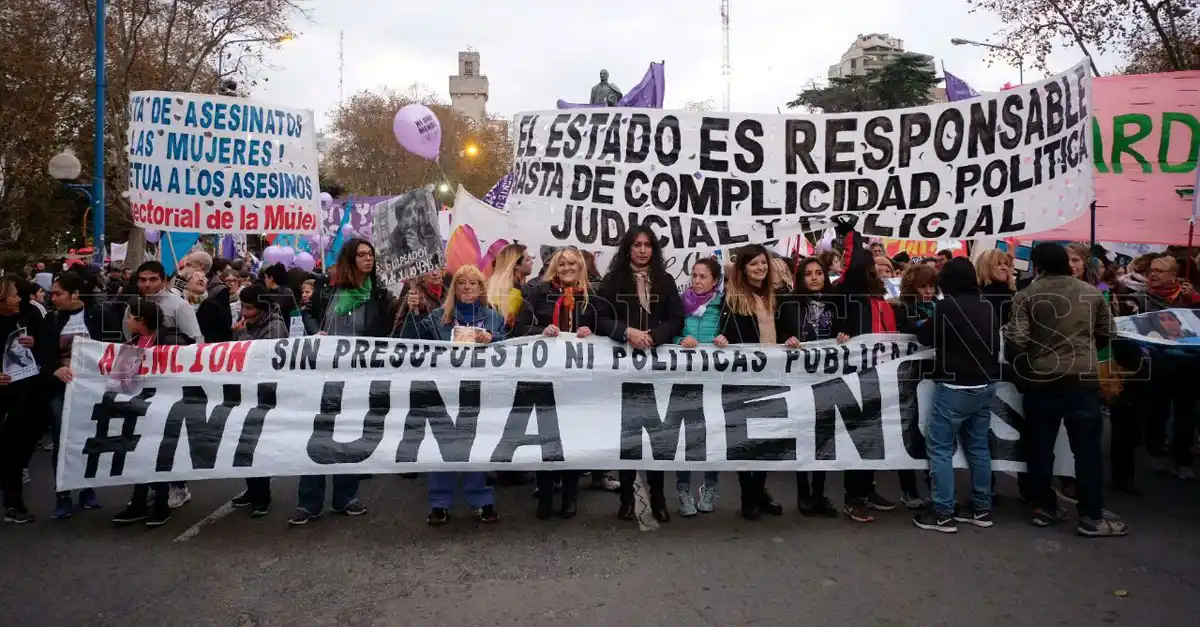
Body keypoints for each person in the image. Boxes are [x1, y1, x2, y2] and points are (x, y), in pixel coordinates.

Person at [1006, 243, 1127, 537]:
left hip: (1041, 382)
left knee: (1039, 448)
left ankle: (1044, 508)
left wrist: (1028, 364)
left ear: (1037, 266)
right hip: (1081, 381)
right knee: (1086, 452)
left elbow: (1017, 340)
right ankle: (1092, 516)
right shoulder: (1092, 293)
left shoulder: (1026, 295)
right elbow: (1107, 333)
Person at [290, 238, 390, 526]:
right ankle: (309, 502)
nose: (368, 259)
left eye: (370, 255)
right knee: (318, 433)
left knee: (348, 432)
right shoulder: (328, 288)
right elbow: (307, 314)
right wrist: (314, 333)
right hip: (323, 372)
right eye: (361, 255)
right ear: (350, 259)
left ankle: (346, 497)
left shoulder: (379, 293)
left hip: (358, 372)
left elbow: (386, 327)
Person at [593, 226, 684, 523]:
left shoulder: (666, 281)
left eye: (647, 245)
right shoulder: (613, 280)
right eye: (636, 245)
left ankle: (658, 498)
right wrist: (626, 332)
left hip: (657, 369)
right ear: (628, 249)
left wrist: (654, 336)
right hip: (623, 368)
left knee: (657, 436)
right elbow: (598, 317)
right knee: (629, 436)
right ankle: (627, 499)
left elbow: (676, 319)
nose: (642, 250)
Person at [402, 265, 505, 525]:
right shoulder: (437, 317)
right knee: (440, 445)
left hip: (478, 391)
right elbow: (410, 344)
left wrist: (493, 338)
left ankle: (480, 500)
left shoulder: (493, 318)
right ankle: (439, 503)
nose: (467, 287)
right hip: (443, 391)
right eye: (461, 283)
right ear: (454, 288)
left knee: (476, 445)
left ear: (481, 288)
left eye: (473, 283)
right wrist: (412, 313)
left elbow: (507, 344)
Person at [911, 258, 1002, 533]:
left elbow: (926, 337)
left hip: (954, 388)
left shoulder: (946, 306)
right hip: (985, 387)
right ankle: (981, 508)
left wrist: (920, 323)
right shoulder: (987, 304)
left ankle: (942, 512)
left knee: (940, 449)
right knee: (978, 449)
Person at [713, 244, 799, 520]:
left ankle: (760, 491)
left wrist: (789, 338)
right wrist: (723, 340)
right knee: (745, 437)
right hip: (745, 378)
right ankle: (747, 495)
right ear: (743, 269)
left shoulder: (779, 297)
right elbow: (724, 333)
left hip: (773, 376)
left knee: (767, 436)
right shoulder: (733, 299)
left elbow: (784, 329)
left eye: (764, 263)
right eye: (754, 264)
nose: (760, 268)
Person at [514, 249, 596, 519]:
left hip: (577, 378)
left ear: (580, 267)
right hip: (545, 376)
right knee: (546, 434)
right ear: (554, 267)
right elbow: (520, 327)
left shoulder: (590, 295)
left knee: (573, 436)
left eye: (572, 263)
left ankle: (571, 496)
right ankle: (546, 494)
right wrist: (543, 332)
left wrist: (590, 331)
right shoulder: (538, 292)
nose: (567, 267)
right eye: (562, 263)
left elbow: (603, 326)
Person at [831, 222, 899, 522]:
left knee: (875, 435)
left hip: (883, 374)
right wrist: (850, 235)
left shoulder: (881, 297)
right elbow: (854, 264)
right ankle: (853, 496)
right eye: (874, 262)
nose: (879, 267)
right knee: (858, 433)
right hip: (857, 375)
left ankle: (867, 486)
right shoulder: (850, 290)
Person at [110, 298, 192, 528]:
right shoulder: (134, 342)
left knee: (159, 454)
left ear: (140, 320)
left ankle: (161, 504)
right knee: (139, 454)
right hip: (139, 407)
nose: (126, 321)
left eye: (130, 317)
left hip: (164, 407)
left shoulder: (169, 340)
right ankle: (137, 503)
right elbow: (122, 379)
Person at [46, 272, 105, 519]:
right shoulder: (50, 319)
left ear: (76, 294)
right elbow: (41, 352)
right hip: (61, 389)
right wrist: (54, 367)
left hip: (91, 389)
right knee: (62, 442)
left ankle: (87, 489)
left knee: (90, 439)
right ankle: (63, 495)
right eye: (52, 293)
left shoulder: (100, 316)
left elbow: (112, 347)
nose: (53, 298)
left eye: (58, 293)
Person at [227, 284, 289, 517]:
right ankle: (252, 489)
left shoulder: (275, 326)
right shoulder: (249, 324)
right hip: (246, 391)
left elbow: (262, 357)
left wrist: (242, 335)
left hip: (264, 394)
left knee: (257, 445)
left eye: (249, 307)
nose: (244, 312)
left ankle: (262, 496)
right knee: (244, 443)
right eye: (242, 306)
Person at [791, 257, 844, 518]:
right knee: (802, 434)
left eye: (819, 273)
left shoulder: (838, 303)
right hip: (800, 378)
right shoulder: (789, 304)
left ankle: (819, 493)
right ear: (800, 278)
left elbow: (848, 330)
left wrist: (846, 335)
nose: (814, 277)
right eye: (809, 274)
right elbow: (779, 334)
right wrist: (787, 339)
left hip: (827, 378)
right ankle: (803, 492)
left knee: (824, 436)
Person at [672, 258, 723, 517]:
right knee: (687, 436)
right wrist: (682, 339)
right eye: (694, 275)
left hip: (714, 380)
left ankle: (709, 485)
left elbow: (735, 334)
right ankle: (683, 488)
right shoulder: (681, 304)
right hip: (686, 379)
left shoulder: (723, 306)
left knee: (712, 434)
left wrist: (725, 338)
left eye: (703, 276)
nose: (696, 281)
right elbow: (670, 333)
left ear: (715, 281)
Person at [0, 276, 48, 524]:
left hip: (23, 394)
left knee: (16, 451)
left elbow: (43, 348)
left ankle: (13, 504)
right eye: (14, 295)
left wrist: (35, 343)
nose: (19, 298)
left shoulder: (26, 317)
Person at [890, 264, 938, 509]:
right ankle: (907, 488)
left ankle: (933, 485)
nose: (928, 291)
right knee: (908, 431)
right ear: (912, 287)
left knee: (932, 432)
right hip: (908, 379)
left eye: (931, 286)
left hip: (932, 377)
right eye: (923, 286)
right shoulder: (904, 309)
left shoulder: (938, 306)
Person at [486, 243, 533, 328]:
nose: (532, 262)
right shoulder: (516, 291)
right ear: (516, 265)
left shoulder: (491, 285)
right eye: (527, 260)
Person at [182, 268, 232, 343]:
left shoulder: (213, 306)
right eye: (196, 276)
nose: (201, 279)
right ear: (186, 283)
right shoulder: (179, 303)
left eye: (204, 277)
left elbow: (225, 334)